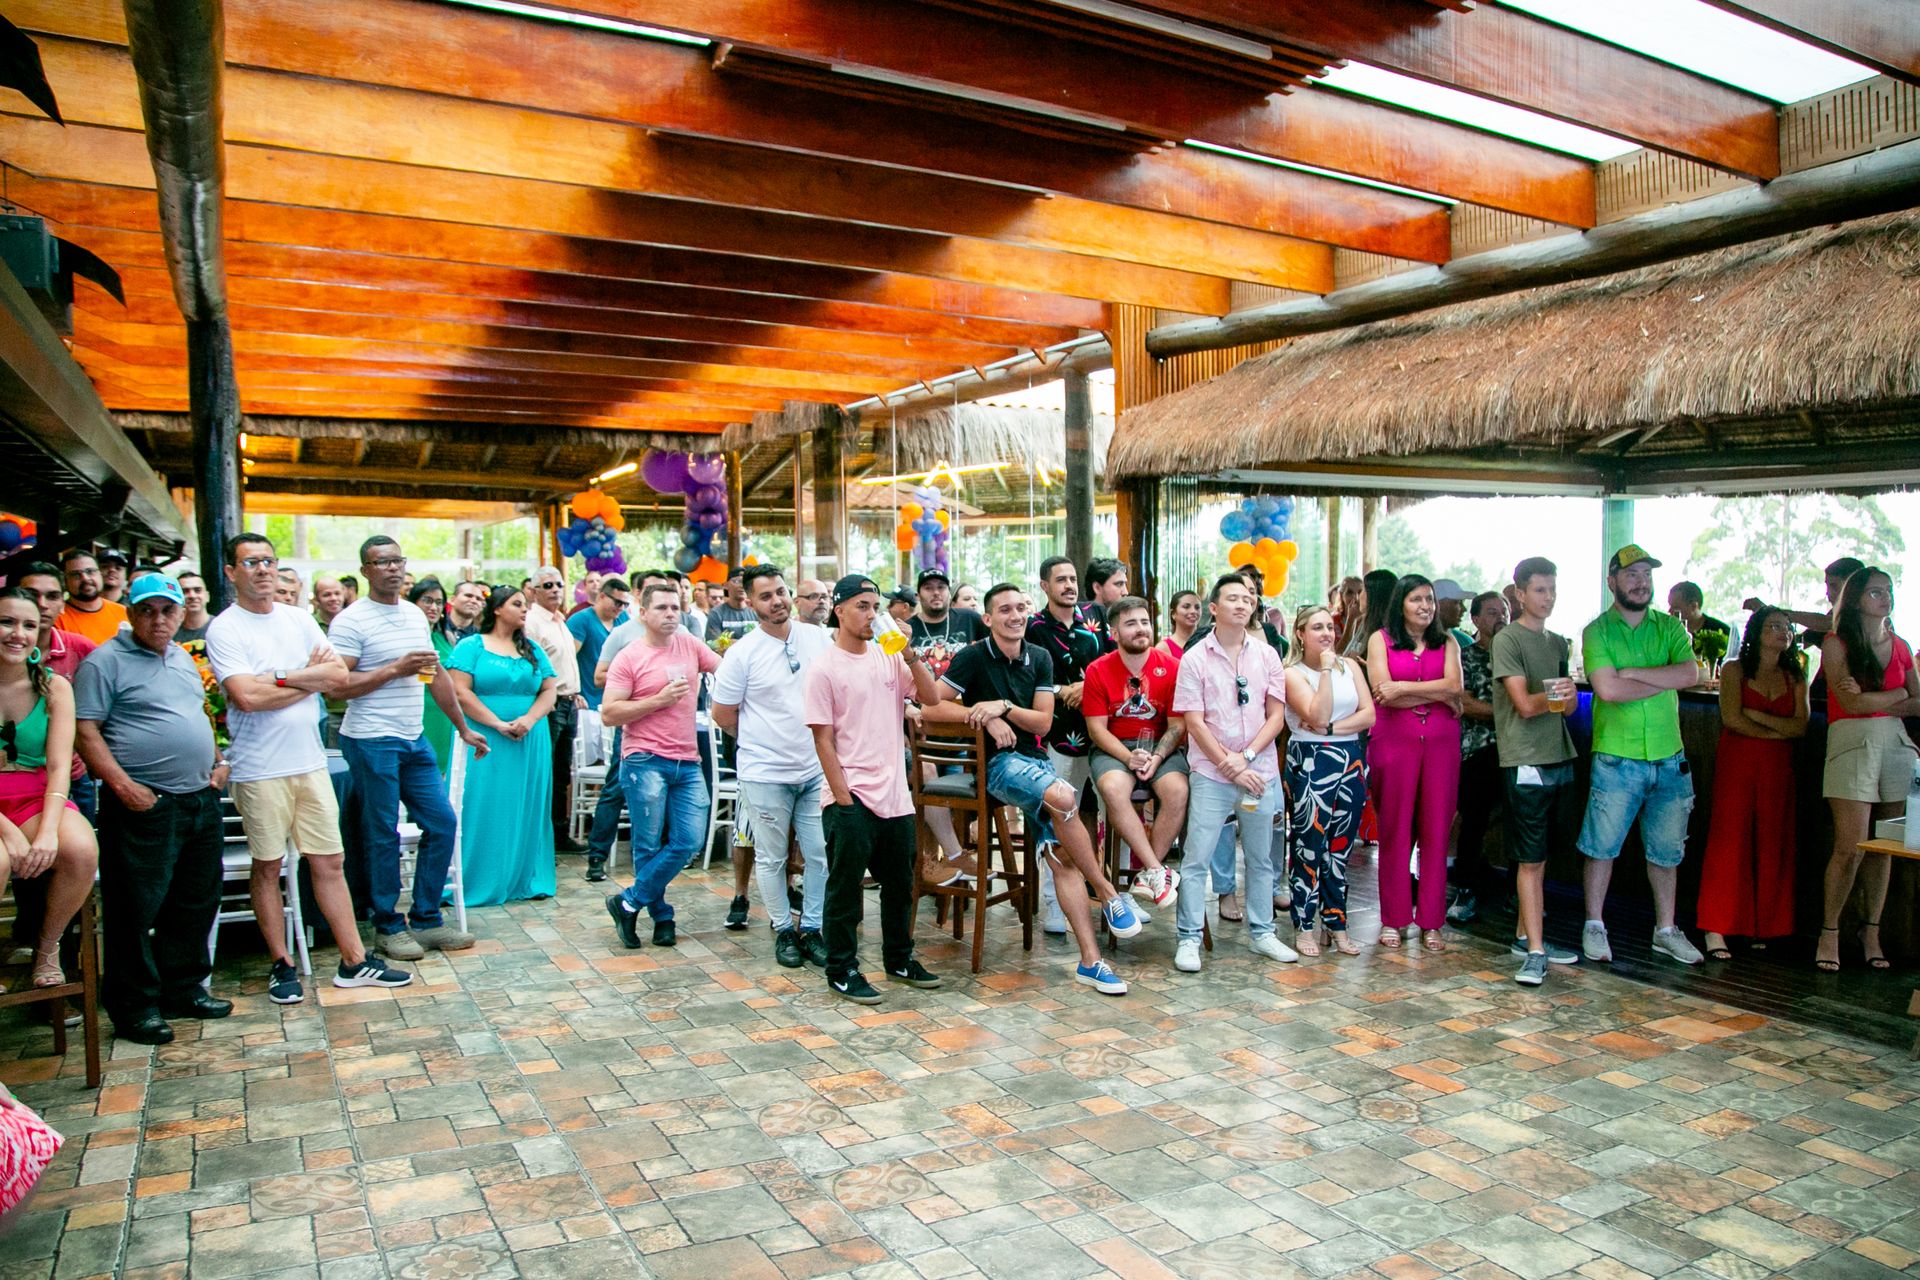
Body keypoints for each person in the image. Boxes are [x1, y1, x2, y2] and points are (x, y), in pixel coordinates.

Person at [205, 533, 413, 1001]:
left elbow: (337, 678)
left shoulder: (298, 619)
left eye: (269, 561)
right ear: (231, 572)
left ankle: (354, 961)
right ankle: (282, 964)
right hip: (259, 768)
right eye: (251, 562)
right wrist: (308, 679)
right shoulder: (226, 628)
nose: (262, 569)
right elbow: (246, 697)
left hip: (309, 762)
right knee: (268, 866)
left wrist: (281, 676)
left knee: (330, 862)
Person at [932, 582, 1138, 992]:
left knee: (1061, 855)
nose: (1015, 615)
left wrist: (1005, 708)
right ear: (988, 619)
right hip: (994, 765)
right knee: (1065, 796)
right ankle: (1108, 891)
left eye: (1021, 608)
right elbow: (931, 704)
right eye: (1004, 609)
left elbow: (1043, 723)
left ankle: (1091, 962)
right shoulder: (973, 657)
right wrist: (983, 715)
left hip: (1035, 763)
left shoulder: (1039, 657)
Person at [73, 575, 231, 1045]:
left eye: (168, 610)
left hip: (199, 798)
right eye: (148, 610)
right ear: (129, 613)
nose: (158, 619)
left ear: (181, 613)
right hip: (144, 803)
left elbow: (199, 714)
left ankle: (182, 987)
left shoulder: (183, 657)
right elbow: (86, 731)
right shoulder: (105, 662)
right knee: (135, 905)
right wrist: (123, 786)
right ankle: (134, 1005)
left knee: (195, 898)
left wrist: (219, 761)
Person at [329, 537, 482, 958]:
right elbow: (338, 686)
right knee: (382, 832)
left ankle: (428, 919)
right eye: (382, 562)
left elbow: (434, 676)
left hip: (413, 738)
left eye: (398, 560)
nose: (392, 568)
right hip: (371, 739)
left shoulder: (415, 615)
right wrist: (394, 669)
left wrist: (463, 728)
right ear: (365, 571)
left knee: (442, 822)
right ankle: (387, 925)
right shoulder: (351, 621)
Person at [803, 576, 948, 1003]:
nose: (872, 615)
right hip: (852, 796)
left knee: (901, 885)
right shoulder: (825, 668)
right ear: (840, 610)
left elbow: (930, 699)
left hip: (895, 794)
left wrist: (909, 653)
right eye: (862, 606)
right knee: (846, 889)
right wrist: (843, 798)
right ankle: (842, 968)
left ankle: (899, 958)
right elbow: (822, 738)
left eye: (876, 607)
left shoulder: (888, 658)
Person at [1577, 544, 1706, 966]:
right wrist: (1660, 680)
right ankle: (1594, 924)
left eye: (1647, 574)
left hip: (1670, 758)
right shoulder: (1597, 631)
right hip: (1616, 757)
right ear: (1612, 580)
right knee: (1601, 847)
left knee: (1667, 852)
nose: (1641, 581)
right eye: (1632, 575)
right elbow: (1608, 690)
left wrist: (1633, 674)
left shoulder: (1670, 628)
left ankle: (1665, 930)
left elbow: (1691, 673)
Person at [1170, 574, 1295, 971]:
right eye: (1233, 598)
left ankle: (1263, 933)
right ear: (1214, 608)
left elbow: (1276, 716)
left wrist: (1248, 756)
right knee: (1196, 857)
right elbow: (1194, 720)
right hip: (1211, 772)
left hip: (1259, 773)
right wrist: (1229, 763)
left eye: (1249, 598)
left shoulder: (1268, 655)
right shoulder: (1194, 658)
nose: (1243, 604)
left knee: (1262, 859)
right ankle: (1188, 937)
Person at [711, 565, 833, 968]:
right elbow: (723, 714)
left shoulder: (817, 638)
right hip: (764, 773)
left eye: (781, 591)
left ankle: (812, 928)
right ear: (750, 602)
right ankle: (784, 930)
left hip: (815, 768)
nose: (776, 601)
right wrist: (760, 743)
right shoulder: (742, 653)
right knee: (771, 857)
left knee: (818, 855)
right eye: (766, 596)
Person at [601, 581, 720, 948]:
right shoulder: (630, 656)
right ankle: (662, 917)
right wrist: (658, 700)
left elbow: (727, 669)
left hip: (687, 760)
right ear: (643, 613)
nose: (671, 614)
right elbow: (609, 713)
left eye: (675, 607)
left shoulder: (690, 644)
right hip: (644, 759)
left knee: (688, 841)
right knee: (648, 845)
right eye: (662, 608)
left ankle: (628, 901)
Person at [1816, 567, 1918, 972]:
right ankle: (1829, 932)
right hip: (1852, 741)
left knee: (1887, 844)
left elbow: (1919, 701)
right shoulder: (1836, 643)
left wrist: (1879, 698)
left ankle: (1870, 929)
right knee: (1850, 845)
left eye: (1889, 591)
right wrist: (1897, 694)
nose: (1884, 598)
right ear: (1856, 598)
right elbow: (1853, 706)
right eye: (1875, 592)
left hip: (1895, 742)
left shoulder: (1901, 645)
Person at [1490, 557, 1584, 987]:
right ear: (1520, 594)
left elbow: (1567, 706)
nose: (1548, 598)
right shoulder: (1507, 640)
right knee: (1530, 858)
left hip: (1559, 755)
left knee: (1545, 853)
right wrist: (1557, 699)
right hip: (1524, 758)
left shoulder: (1558, 643)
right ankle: (1535, 952)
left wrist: (1562, 699)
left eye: (1552, 590)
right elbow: (1525, 705)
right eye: (1540, 590)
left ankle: (1526, 935)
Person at [0, 589, 99, 992]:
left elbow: (60, 767)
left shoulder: (55, 687)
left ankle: (47, 948)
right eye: (7, 622)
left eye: (28, 625)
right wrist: (8, 833)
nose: (18, 634)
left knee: (80, 848)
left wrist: (45, 834)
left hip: (37, 797)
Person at [1698, 606, 1808, 963]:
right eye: (1774, 626)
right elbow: (1732, 718)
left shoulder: (1796, 675)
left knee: (1773, 841)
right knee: (1731, 840)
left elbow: (1800, 726)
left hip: (1778, 768)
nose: (1783, 632)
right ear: (1756, 631)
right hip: (1739, 763)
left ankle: (1766, 926)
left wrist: (1757, 716)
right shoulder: (1734, 669)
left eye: (1787, 627)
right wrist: (1776, 727)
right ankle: (1717, 926)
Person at [1366, 574, 1463, 952]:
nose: (1425, 606)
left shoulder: (1448, 641)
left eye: (1430, 599)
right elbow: (1380, 693)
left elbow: (1455, 688)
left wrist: (1403, 688)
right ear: (1400, 605)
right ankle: (1394, 918)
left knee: (1437, 832)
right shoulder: (1381, 640)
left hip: (1441, 747)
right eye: (1416, 600)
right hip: (1394, 745)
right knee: (1395, 830)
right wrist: (1435, 694)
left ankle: (1432, 922)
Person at [449, 587, 560, 906]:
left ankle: (526, 875)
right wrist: (497, 724)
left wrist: (530, 718)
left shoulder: (532, 648)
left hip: (530, 736)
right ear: (497, 609)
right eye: (517, 604)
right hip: (485, 737)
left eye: (526, 605)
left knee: (528, 802)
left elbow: (550, 690)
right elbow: (461, 692)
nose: (525, 610)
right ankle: (477, 877)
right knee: (483, 802)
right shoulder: (471, 646)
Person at [1282, 605, 1374, 957]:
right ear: (1300, 634)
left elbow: (1369, 715)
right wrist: (1322, 671)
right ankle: (1304, 925)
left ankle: (1336, 923)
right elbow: (1315, 713)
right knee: (1309, 845)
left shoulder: (1350, 666)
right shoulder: (1293, 673)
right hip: (1311, 762)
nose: (1326, 634)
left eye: (1330, 627)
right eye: (1317, 627)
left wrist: (1333, 729)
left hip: (1350, 760)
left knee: (1340, 849)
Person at [1083, 596, 1186, 907]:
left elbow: (1178, 726)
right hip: (1114, 747)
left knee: (1178, 791)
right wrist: (1128, 757)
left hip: (1160, 746)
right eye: (1131, 624)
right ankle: (1155, 869)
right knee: (1113, 789)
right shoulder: (1098, 670)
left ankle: (1145, 875)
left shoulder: (1173, 668)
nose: (1141, 629)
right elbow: (1097, 730)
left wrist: (1156, 758)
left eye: (1144, 622)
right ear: (1114, 633)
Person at [1027, 556, 1108, 933]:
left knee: (1103, 816)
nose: (1069, 586)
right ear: (1045, 586)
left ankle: (1107, 896)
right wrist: (1066, 689)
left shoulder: (1096, 619)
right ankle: (1054, 902)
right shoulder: (1033, 628)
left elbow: (1111, 663)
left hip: (1102, 730)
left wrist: (1088, 687)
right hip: (1057, 734)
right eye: (1060, 580)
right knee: (1058, 819)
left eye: (1073, 578)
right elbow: (1028, 679)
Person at [582, 570, 677, 882]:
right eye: (654, 595)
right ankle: (597, 856)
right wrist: (638, 682)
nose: (664, 606)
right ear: (641, 600)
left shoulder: (678, 633)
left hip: (669, 729)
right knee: (614, 788)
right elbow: (598, 677)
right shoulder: (624, 634)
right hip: (632, 724)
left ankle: (665, 855)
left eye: (667, 597)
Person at [16, 564, 96, 822]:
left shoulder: (81, 649)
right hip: (13, 778)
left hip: (73, 776)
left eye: (52, 596)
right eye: (31, 594)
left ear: (63, 603)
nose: (42, 604)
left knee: (77, 853)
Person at [1450, 590, 1508, 925]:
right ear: (1475, 619)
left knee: (1519, 823)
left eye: (1504, 611)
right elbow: (1466, 703)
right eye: (1491, 612)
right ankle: (1465, 890)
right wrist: (1512, 713)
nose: (1500, 617)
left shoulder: (1516, 654)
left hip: (1517, 749)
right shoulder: (1467, 657)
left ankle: (1518, 893)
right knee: (1474, 819)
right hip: (1478, 748)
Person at [525, 567, 586, 854]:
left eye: (558, 584)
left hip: (569, 702)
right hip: (549, 704)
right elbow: (533, 666)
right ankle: (541, 837)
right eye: (546, 585)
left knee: (562, 773)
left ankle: (558, 834)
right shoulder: (533, 622)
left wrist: (575, 693)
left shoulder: (560, 619)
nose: (554, 589)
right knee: (545, 771)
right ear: (533, 590)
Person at [408, 579, 458, 774]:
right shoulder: (407, 637)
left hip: (443, 711)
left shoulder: (445, 637)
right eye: (427, 601)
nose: (433, 607)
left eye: (438, 602)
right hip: (418, 708)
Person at [907, 568, 987, 679]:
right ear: (918, 596)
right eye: (928, 588)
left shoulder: (970, 618)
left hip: (966, 695)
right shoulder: (908, 628)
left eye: (941, 587)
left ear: (949, 592)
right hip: (922, 695)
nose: (936, 592)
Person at [567, 576, 629, 712]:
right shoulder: (580, 620)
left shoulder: (624, 618)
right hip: (587, 702)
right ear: (602, 596)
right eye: (618, 603)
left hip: (617, 699)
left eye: (626, 604)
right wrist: (573, 692)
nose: (621, 608)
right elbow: (568, 660)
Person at [55, 550, 127, 645]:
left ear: (100, 574)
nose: (85, 578)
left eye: (90, 571)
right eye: (76, 574)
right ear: (65, 581)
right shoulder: (57, 618)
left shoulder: (123, 612)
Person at [1344, 569, 1397, 658]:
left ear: (1374, 595)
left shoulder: (1386, 634)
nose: (1358, 597)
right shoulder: (1365, 622)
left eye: (1362, 590)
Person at [1078, 557, 1129, 639]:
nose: (1125, 592)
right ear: (1097, 588)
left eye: (1125, 584)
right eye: (1119, 584)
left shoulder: (1123, 618)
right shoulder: (1080, 620)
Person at [704, 570, 756, 643]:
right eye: (737, 581)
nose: (742, 586)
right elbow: (713, 644)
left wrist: (729, 642)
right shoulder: (716, 613)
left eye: (745, 582)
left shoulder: (756, 611)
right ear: (726, 585)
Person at [1431, 579, 1474, 649]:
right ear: (1438, 604)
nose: (1464, 609)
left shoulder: (1465, 642)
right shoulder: (1413, 641)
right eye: (1457, 603)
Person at [174, 571, 213, 645]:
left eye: (197, 590)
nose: (192, 596)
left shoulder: (221, 626)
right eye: (185, 591)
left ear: (207, 596)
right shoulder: (170, 631)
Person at [1164, 590, 1201, 658]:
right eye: (1186, 607)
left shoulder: (1208, 642)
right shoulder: (1164, 648)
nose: (1193, 611)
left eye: (1197, 607)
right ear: (1173, 614)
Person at [676, 571, 707, 639]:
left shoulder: (700, 616)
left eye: (687, 588)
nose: (683, 591)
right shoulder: (669, 615)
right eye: (680, 587)